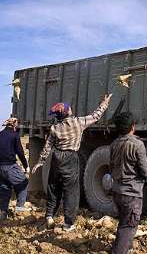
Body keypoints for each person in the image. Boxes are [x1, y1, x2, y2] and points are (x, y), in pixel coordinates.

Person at [32, 94, 112, 231]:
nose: (70, 109)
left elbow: (47, 147)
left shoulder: (54, 128)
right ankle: (68, 223)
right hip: (71, 158)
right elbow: (96, 116)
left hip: (57, 158)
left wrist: (40, 162)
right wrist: (104, 103)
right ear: (67, 112)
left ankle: (50, 216)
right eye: (68, 109)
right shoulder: (78, 123)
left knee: (53, 187)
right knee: (71, 191)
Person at [109, 112, 147, 254]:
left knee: (123, 223)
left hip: (117, 191)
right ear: (132, 127)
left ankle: (124, 248)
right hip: (132, 193)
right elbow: (146, 171)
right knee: (129, 226)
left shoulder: (114, 144)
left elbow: (111, 166)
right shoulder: (137, 144)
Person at [0, 117, 30, 220]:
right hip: (9, 166)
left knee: (5, 188)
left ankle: (3, 212)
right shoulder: (15, 135)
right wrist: (26, 166)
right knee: (23, 183)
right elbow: (20, 152)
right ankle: (20, 208)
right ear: (14, 125)